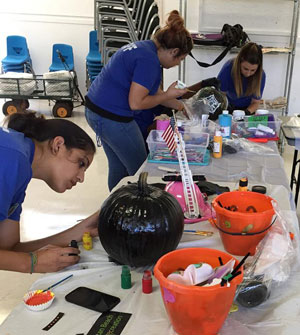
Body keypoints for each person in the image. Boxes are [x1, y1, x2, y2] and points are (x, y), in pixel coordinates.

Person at [85, 10, 194, 191]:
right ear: (174, 51)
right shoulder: (149, 61)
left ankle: (116, 205)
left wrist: (182, 107)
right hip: (112, 118)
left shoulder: (145, 48)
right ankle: (138, 209)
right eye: (180, 59)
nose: (177, 64)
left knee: (119, 167)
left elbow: (154, 93)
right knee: (142, 170)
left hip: (96, 110)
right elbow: (136, 103)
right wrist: (168, 95)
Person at [0, 112, 99, 273]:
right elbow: (20, 258)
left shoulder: (21, 169)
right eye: (81, 163)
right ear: (58, 145)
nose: (81, 178)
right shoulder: (13, 157)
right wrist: (31, 263)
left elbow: (8, 250)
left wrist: (80, 230)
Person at [217, 42, 266, 114]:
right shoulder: (228, 68)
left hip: (248, 108)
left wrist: (245, 113)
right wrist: (225, 111)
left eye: (253, 70)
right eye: (245, 69)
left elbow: (255, 102)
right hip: (227, 107)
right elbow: (220, 96)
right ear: (239, 62)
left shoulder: (261, 75)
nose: (248, 73)